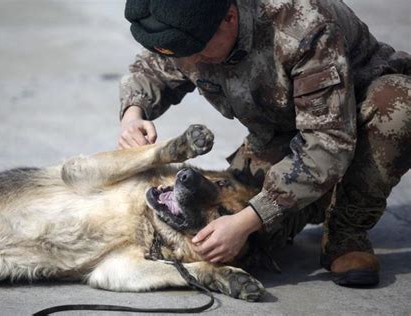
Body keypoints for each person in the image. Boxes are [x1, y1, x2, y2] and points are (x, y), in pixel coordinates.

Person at [118, 0, 411, 286]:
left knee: (398, 106)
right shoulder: (194, 30)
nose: (191, 63)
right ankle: (313, 202)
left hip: (358, 120)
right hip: (281, 136)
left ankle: (346, 234)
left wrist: (250, 219)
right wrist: (134, 113)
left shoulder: (302, 27)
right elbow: (156, 67)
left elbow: (329, 143)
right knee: (233, 227)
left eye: (198, 54)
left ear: (229, 18)